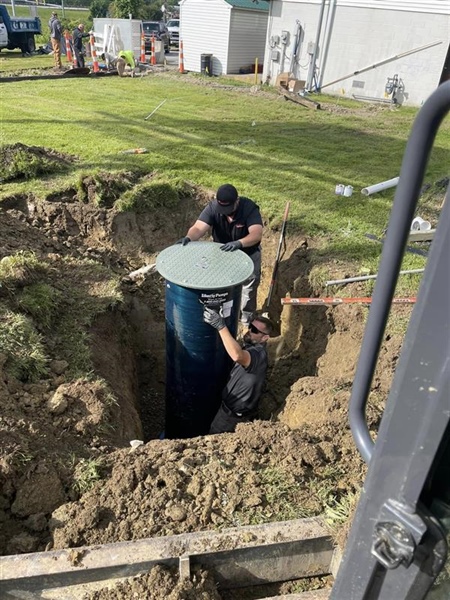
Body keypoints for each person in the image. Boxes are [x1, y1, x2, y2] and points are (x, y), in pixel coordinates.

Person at [177, 184, 263, 324]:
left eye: (228, 208)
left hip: (248, 254)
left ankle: (246, 319)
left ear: (237, 201)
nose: (225, 212)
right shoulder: (212, 207)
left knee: (248, 288)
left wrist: (239, 243)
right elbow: (199, 227)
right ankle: (220, 316)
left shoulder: (249, 208)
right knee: (220, 286)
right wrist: (189, 238)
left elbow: (256, 234)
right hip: (223, 255)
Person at [203, 307, 273, 434]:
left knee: (212, 441)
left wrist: (220, 326)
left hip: (230, 417)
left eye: (255, 331)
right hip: (230, 411)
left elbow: (237, 355)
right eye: (251, 327)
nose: (249, 331)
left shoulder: (258, 354)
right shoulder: (251, 348)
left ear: (264, 338)